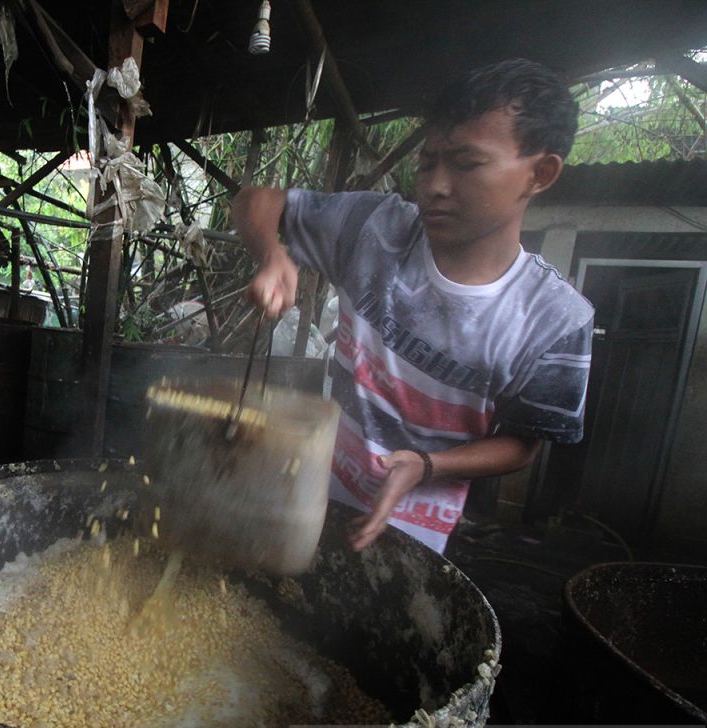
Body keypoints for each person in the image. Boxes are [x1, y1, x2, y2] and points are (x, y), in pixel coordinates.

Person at [236, 59, 594, 554]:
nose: (435, 185)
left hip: (412, 531)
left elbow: (523, 443)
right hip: (306, 490)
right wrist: (272, 254)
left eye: (467, 164)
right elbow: (256, 200)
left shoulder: (555, 320)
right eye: (428, 163)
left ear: (541, 173)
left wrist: (428, 466)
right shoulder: (373, 231)